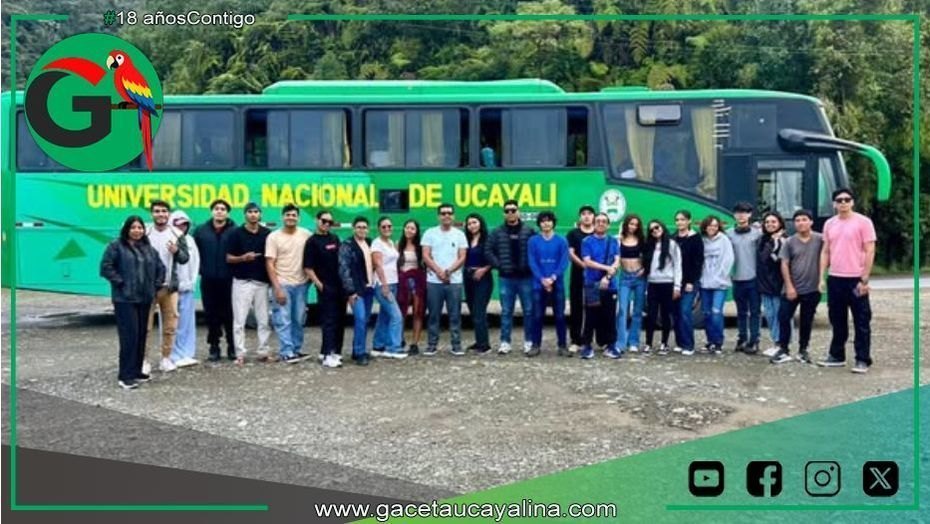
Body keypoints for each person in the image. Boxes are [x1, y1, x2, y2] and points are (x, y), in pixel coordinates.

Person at [100, 215, 165, 389]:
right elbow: (106, 267)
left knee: (141, 335)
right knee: (129, 336)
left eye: (140, 228)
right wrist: (121, 282)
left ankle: (136, 371)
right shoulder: (116, 246)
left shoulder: (148, 248)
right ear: (127, 229)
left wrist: (156, 285)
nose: (137, 231)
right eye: (133, 227)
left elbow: (161, 268)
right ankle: (125, 375)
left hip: (145, 298)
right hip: (125, 299)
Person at [817, 188, 876, 373]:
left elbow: (870, 250)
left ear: (852, 202)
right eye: (839, 200)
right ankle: (837, 355)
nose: (843, 203)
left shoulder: (863, 222)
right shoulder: (829, 224)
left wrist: (865, 278)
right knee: (837, 319)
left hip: (856, 279)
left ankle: (862, 359)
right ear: (834, 204)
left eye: (846, 199)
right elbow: (825, 251)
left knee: (861, 320)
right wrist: (822, 277)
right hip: (835, 278)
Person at [770, 209, 823, 365]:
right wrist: (789, 286)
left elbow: (828, 256)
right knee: (783, 317)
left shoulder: (820, 239)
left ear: (811, 222)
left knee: (807, 320)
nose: (801, 223)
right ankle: (784, 349)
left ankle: (803, 350)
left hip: (812, 288)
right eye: (797, 220)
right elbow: (784, 264)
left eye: (804, 219)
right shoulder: (789, 242)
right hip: (791, 288)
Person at [144, 200, 189, 374]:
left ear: (168, 214)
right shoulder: (145, 232)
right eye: (157, 211)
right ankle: (144, 361)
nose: (160, 214)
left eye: (164, 211)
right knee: (145, 327)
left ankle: (166, 358)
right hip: (148, 288)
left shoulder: (177, 233)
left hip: (169, 287)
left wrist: (176, 251)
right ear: (152, 214)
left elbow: (185, 258)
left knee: (170, 326)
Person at [487, 199, 536, 355]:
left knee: (529, 311)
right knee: (506, 311)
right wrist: (499, 265)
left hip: (526, 277)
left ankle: (529, 342)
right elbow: (488, 251)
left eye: (513, 210)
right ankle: (505, 342)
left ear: (518, 212)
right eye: (507, 211)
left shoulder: (529, 231)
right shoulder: (497, 232)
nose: (510, 213)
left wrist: (530, 266)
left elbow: (535, 251)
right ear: (503, 213)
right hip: (506, 278)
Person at [265, 204, 312, 364]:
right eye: (288, 215)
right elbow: (270, 263)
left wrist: (309, 280)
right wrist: (277, 287)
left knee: (299, 319)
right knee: (283, 319)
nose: (291, 218)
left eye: (293, 215)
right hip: (283, 283)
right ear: (282, 217)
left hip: (301, 284)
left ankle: (296, 350)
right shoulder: (274, 237)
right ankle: (286, 351)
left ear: (298, 218)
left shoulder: (306, 235)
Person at [226, 202, 272, 364]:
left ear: (260, 214)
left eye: (256, 212)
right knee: (239, 320)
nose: (253, 214)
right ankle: (240, 353)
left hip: (261, 282)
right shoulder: (235, 233)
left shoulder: (267, 234)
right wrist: (243, 258)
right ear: (245, 214)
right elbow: (228, 258)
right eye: (250, 212)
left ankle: (263, 352)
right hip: (242, 282)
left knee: (264, 320)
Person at [193, 199, 237, 361]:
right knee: (211, 315)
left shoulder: (235, 231)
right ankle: (214, 346)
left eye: (223, 209)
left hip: (229, 280)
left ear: (227, 213)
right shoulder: (201, 231)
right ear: (212, 211)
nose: (219, 211)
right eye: (216, 208)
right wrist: (201, 270)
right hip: (208, 279)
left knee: (230, 314)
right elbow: (194, 254)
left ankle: (232, 347)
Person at [421, 203, 467, 356]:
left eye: (449, 213)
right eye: (443, 213)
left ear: (453, 216)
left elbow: (462, 257)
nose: (446, 216)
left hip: (454, 281)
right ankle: (431, 345)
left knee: (455, 315)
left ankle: (456, 345)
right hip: (434, 281)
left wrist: (448, 271)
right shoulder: (430, 233)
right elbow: (426, 255)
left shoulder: (459, 235)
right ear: (438, 216)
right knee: (433, 315)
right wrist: (439, 272)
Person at [304, 210, 345, 368]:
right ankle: (328, 355)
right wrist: (319, 285)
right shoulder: (312, 242)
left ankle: (335, 351)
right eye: (324, 221)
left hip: (339, 284)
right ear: (317, 220)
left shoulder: (334, 238)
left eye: (330, 222)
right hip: (325, 286)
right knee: (329, 321)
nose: (327, 224)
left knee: (340, 319)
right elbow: (308, 268)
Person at [528, 210, 570, 356]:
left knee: (560, 316)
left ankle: (562, 346)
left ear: (553, 223)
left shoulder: (561, 241)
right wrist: (542, 279)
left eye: (549, 220)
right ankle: (535, 345)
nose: (546, 223)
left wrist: (552, 278)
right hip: (538, 284)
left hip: (557, 284)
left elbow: (563, 262)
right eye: (543, 221)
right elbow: (532, 262)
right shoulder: (533, 241)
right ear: (539, 224)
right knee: (537, 316)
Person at [580, 213, 620, 359]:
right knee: (591, 316)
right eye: (598, 221)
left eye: (604, 221)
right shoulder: (587, 241)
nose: (601, 223)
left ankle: (611, 346)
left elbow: (617, 260)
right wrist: (607, 268)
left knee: (610, 316)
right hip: (592, 285)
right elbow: (587, 261)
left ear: (608, 225)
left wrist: (608, 276)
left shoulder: (613, 241)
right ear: (594, 223)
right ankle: (587, 346)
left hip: (610, 285)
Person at [726, 202, 763, 354]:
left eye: (745, 212)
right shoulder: (728, 234)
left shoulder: (757, 233)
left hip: (754, 278)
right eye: (738, 212)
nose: (741, 215)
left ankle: (754, 340)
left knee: (755, 312)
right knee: (741, 312)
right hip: (737, 278)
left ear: (749, 215)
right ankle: (742, 338)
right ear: (734, 215)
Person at [340, 216, 376, 366]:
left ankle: (357, 350)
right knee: (360, 319)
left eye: (364, 227)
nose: (362, 230)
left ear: (368, 229)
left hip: (369, 288)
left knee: (365, 320)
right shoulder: (347, 245)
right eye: (359, 227)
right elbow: (343, 269)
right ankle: (360, 353)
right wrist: (350, 291)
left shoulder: (370, 243)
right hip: (356, 289)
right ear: (353, 228)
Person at [643, 220, 682, 355]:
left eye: (657, 227)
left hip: (667, 283)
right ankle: (648, 343)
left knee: (665, 315)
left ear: (662, 227)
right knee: (651, 315)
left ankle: (664, 343)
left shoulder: (672, 245)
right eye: (651, 229)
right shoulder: (649, 245)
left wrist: (677, 286)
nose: (654, 230)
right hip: (653, 284)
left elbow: (678, 266)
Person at [371, 217, 406, 359]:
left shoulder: (391, 243)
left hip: (393, 283)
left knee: (385, 316)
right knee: (397, 316)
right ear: (379, 228)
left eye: (389, 226)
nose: (387, 229)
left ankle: (378, 345)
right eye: (384, 226)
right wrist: (384, 285)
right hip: (382, 284)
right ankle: (393, 348)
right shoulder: (377, 244)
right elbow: (378, 265)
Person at [168, 210, 200, 368]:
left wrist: (191, 283)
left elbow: (195, 263)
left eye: (184, 224)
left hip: (187, 287)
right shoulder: (168, 239)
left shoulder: (190, 240)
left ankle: (187, 353)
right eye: (178, 224)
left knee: (187, 323)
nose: (181, 227)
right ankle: (172, 355)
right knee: (171, 323)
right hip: (170, 289)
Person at [699, 215, 734, 355]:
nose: (712, 228)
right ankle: (710, 341)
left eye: (715, 225)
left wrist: (720, 275)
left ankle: (718, 342)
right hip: (705, 282)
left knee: (716, 312)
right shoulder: (702, 240)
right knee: (706, 313)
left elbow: (728, 259)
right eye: (710, 225)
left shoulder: (724, 240)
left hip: (720, 282)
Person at [671, 210, 703, 355]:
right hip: (675, 282)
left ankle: (689, 345)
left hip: (690, 282)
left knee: (685, 311)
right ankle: (680, 342)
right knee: (676, 313)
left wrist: (691, 281)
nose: (680, 222)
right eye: (677, 220)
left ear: (689, 221)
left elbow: (698, 262)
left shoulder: (695, 238)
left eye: (683, 219)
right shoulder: (673, 238)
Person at [757, 211, 788, 357]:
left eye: (773, 222)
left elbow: (778, 260)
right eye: (767, 222)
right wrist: (771, 241)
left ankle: (781, 344)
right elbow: (762, 258)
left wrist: (774, 242)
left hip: (778, 284)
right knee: (769, 315)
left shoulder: (784, 240)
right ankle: (776, 342)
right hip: (764, 284)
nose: (770, 224)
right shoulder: (763, 239)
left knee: (778, 315)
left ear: (780, 223)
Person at [567, 205, 595, 354]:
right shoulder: (573, 234)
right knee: (576, 307)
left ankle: (590, 340)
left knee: (594, 308)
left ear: (594, 217)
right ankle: (575, 341)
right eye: (583, 214)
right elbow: (570, 253)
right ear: (580, 217)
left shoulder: (597, 233)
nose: (586, 216)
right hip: (578, 275)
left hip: (595, 276)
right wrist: (584, 265)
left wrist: (593, 267)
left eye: (589, 213)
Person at [616, 214, 646, 354]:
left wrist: (644, 269)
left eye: (636, 225)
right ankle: (621, 342)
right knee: (622, 310)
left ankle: (633, 341)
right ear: (626, 224)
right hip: (625, 277)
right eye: (631, 224)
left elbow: (648, 257)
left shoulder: (641, 240)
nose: (633, 227)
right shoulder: (619, 240)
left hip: (639, 277)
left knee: (637, 311)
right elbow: (616, 257)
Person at [464, 213, 493, 354]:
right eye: (469, 224)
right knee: (472, 310)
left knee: (479, 311)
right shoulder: (466, 240)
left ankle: (485, 346)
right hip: (468, 277)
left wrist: (484, 269)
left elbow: (495, 258)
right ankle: (479, 341)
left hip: (483, 278)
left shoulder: (488, 240)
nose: (472, 226)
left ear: (480, 223)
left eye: (474, 222)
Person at [397, 219, 427, 355]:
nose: (409, 230)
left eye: (412, 228)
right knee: (401, 312)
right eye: (407, 227)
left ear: (416, 231)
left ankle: (414, 343)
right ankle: (399, 339)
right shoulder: (398, 245)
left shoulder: (420, 247)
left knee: (417, 312)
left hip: (417, 282)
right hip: (402, 281)